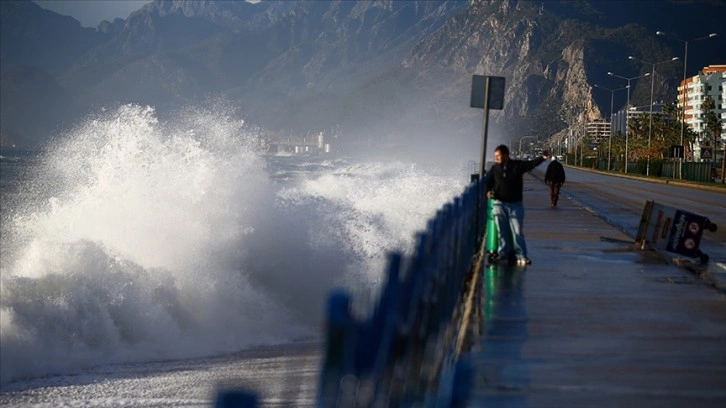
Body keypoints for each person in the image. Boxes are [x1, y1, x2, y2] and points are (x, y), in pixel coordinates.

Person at [485, 144, 548, 265]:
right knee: (501, 231)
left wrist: (542, 158)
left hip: (515, 204)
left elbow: (530, 164)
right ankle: (503, 253)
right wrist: (488, 191)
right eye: (496, 156)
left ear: (505, 155)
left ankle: (521, 255)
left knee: (517, 231)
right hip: (499, 204)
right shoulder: (495, 168)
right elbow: (488, 181)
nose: (497, 158)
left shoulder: (516, 166)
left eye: (498, 156)